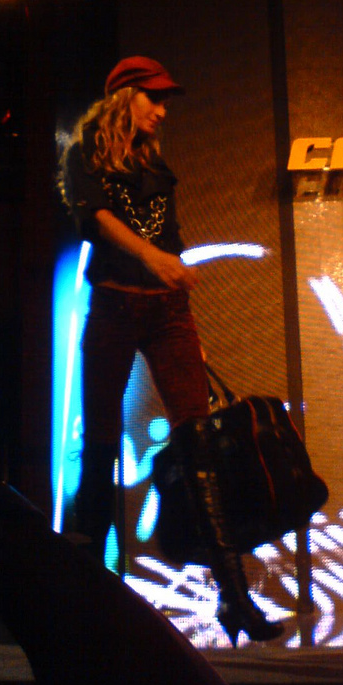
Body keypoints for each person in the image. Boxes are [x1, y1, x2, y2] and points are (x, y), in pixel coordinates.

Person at [59, 56, 283, 645]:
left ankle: (233, 597)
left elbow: (167, 236)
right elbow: (98, 218)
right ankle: (89, 599)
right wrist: (154, 258)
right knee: (100, 447)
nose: (162, 111)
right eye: (153, 98)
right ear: (123, 97)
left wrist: (174, 280)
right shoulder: (84, 154)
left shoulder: (153, 160)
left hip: (168, 311)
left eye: (165, 101)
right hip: (114, 305)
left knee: (199, 441)